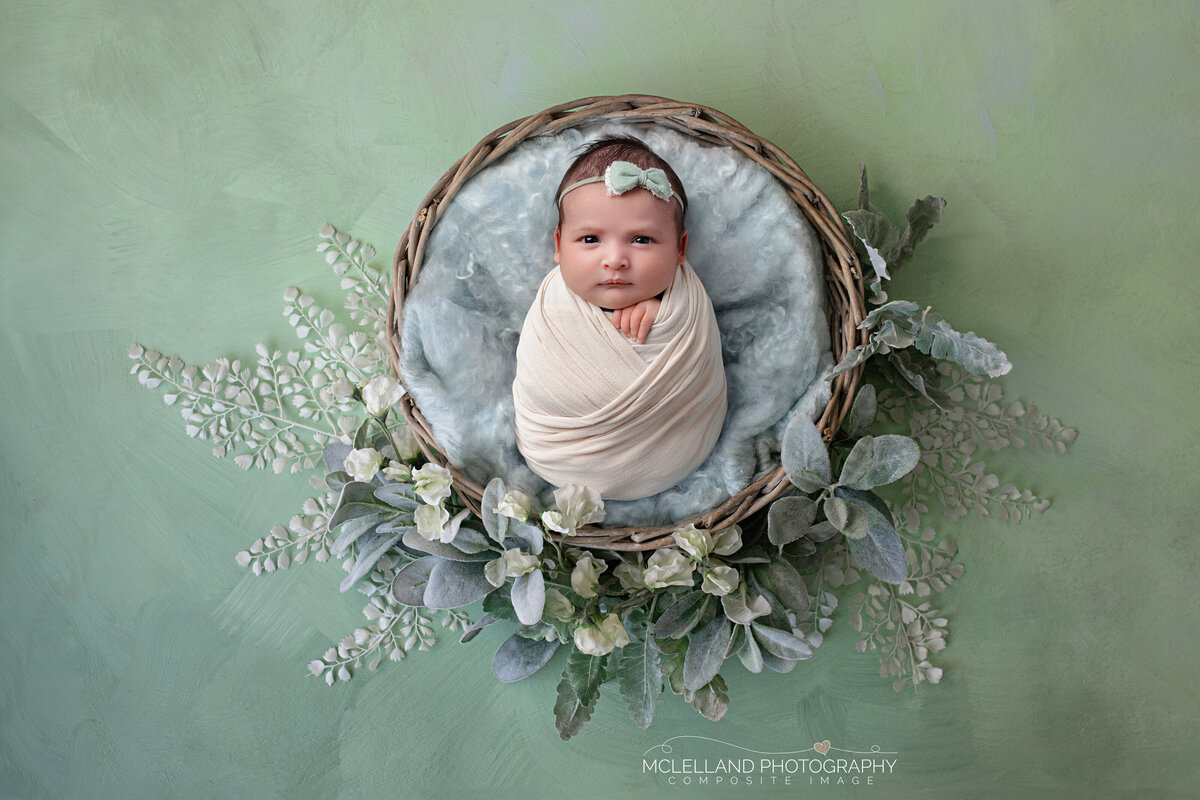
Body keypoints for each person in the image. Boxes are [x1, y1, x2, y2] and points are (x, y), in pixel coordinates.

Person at [511, 137, 728, 501]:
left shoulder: (686, 301)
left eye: (642, 239)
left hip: (675, 447)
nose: (615, 259)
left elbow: (697, 360)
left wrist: (663, 313)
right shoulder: (554, 306)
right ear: (559, 245)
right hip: (559, 450)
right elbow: (541, 381)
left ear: (680, 249)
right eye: (590, 239)